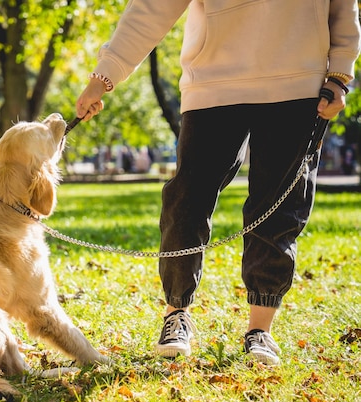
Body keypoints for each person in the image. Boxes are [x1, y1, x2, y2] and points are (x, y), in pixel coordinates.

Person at [76, 0, 361, 365]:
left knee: (278, 209)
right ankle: (176, 312)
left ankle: (261, 329)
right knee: (186, 200)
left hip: (299, 84)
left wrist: (339, 74)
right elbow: (151, 8)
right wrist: (103, 76)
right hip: (214, 82)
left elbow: (343, 6)